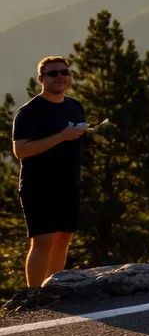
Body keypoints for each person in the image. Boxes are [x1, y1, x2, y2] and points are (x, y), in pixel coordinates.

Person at [10, 56, 88, 296]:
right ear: (41, 79)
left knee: (63, 238)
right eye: (53, 74)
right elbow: (21, 150)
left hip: (69, 184)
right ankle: (33, 296)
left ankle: (53, 289)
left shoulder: (75, 106)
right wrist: (61, 136)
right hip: (39, 186)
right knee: (42, 241)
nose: (60, 77)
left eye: (64, 72)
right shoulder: (29, 112)